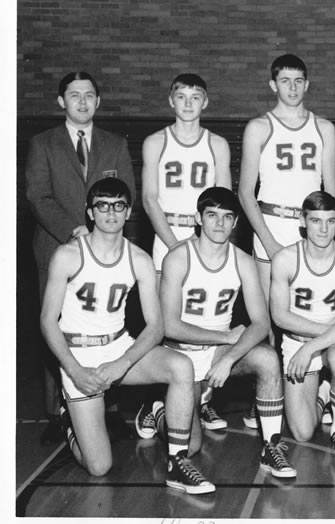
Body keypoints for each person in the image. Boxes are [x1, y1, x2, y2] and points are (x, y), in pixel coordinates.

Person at [39, 177, 213, 494]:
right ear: (90, 212)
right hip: (79, 357)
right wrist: (75, 371)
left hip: (119, 347)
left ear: (128, 211)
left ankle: (176, 460)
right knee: (99, 466)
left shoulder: (139, 259)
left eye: (118, 206)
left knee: (182, 369)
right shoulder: (68, 255)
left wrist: (123, 362)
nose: (111, 213)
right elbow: (48, 321)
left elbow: (156, 326)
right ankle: (69, 416)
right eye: (102, 206)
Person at [144, 186, 295, 479]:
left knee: (267, 359)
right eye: (212, 215)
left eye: (227, 217)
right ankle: (158, 411)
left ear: (236, 222)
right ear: (198, 218)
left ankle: (271, 447)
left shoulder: (242, 261)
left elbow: (261, 323)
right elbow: (170, 326)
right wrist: (225, 338)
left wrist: (229, 358)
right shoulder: (177, 258)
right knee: (193, 445)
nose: (219, 223)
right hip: (181, 355)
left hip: (217, 354)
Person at [25, 71, 136, 444]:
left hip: (108, 253)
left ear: (98, 101)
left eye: (89, 95)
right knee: (56, 327)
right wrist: (76, 230)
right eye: (75, 96)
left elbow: (127, 195)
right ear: (62, 102)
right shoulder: (43, 143)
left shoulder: (114, 144)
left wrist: (104, 235)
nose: (83, 102)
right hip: (57, 248)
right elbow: (37, 197)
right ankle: (60, 411)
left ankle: (107, 408)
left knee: (108, 324)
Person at [140, 72, 231, 430]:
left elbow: (223, 202)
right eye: (182, 96)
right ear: (171, 101)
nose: (189, 103)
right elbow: (149, 199)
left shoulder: (217, 144)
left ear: (205, 102)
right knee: (164, 326)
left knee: (206, 319)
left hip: (206, 240)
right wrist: (179, 247)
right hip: (169, 240)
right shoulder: (155, 142)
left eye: (196, 97)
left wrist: (200, 245)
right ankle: (155, 402)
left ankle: (202, 398)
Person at [270, 191, 335, 460]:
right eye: (315, 221)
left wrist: (313, 345)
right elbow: (280, 317)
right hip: (298, 341)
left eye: (330, 221)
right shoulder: (285, 259)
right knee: (302, 432)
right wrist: (313, 344)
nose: (324, 229)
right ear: (302, 221)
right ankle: (324, 395)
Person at [238, 54, 335, 299]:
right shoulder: (258, 128)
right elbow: (244, 192)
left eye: (298, 81)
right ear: (273, 85)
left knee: (310, 303)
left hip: (311, 225)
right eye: (285, 81)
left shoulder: (323, 128)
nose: (292, 88)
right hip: (271, 223)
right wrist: (269, 242)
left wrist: (321, 231)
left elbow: (332, 192)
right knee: (271, 310)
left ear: (307, 84)